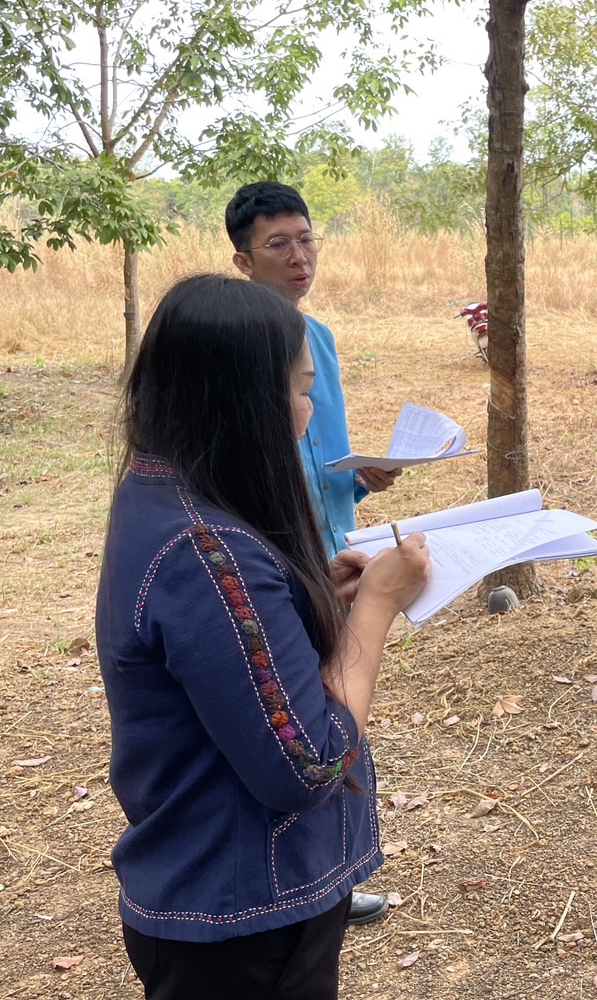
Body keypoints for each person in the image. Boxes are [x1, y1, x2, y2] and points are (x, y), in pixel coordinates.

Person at [96, 274, 431, 999]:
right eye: (301, 389)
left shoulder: (164, 494)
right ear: (244, 400)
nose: (309, 413)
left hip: (223, 899)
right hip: (240, 922)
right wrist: (374, 608)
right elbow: (309, 764)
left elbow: (235, 662)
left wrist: (314, 606)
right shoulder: (206, 553)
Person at [226, 181, 402, 926]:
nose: (299, 258)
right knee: (298, 730)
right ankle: (294, 888)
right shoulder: (236, 353)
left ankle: (334, 877)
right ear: (242, 260)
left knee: (341, 719)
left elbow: (321, 459)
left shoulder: (319, 340)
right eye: (277, 245)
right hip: (275, 568)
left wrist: (361, 480)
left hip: (334, 557)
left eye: (306, 240)